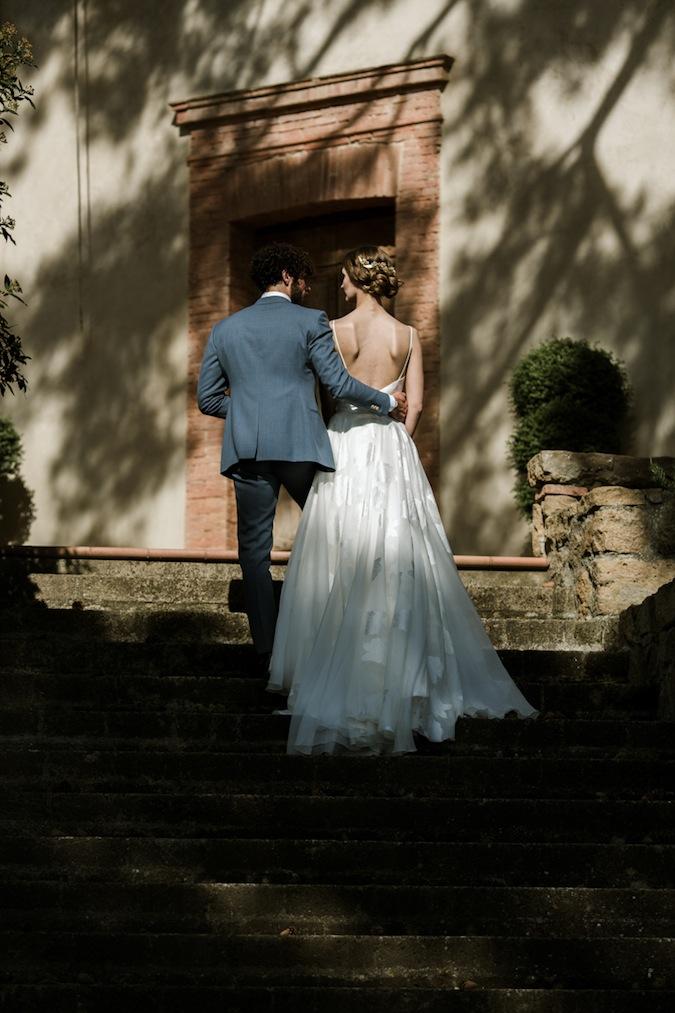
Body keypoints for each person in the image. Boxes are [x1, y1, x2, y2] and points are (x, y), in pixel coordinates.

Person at [268, 245, 537, 753]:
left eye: (344, 277)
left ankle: (331, 670)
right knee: (397, 556)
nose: (339, 286)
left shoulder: (330, 330)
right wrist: (398, 444)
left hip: (343, 440)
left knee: (339, 550)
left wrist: (337, 429)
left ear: (355, 278)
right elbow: (416, 405)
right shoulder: (408, 335)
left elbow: (321, 392)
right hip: (390, 447)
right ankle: (400, 671)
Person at [196, 242, 407, 669]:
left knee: (253, 554)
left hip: (248, 452)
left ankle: (268, 651)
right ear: (288, 276)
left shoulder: (224, 330)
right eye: (304, 278)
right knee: (334, 535)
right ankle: (340, 635)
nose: (308, 287)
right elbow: (338, 384)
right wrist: (385, 403)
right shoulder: (310, 320)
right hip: (299, 446)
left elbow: (207, 399)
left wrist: (251, 413)